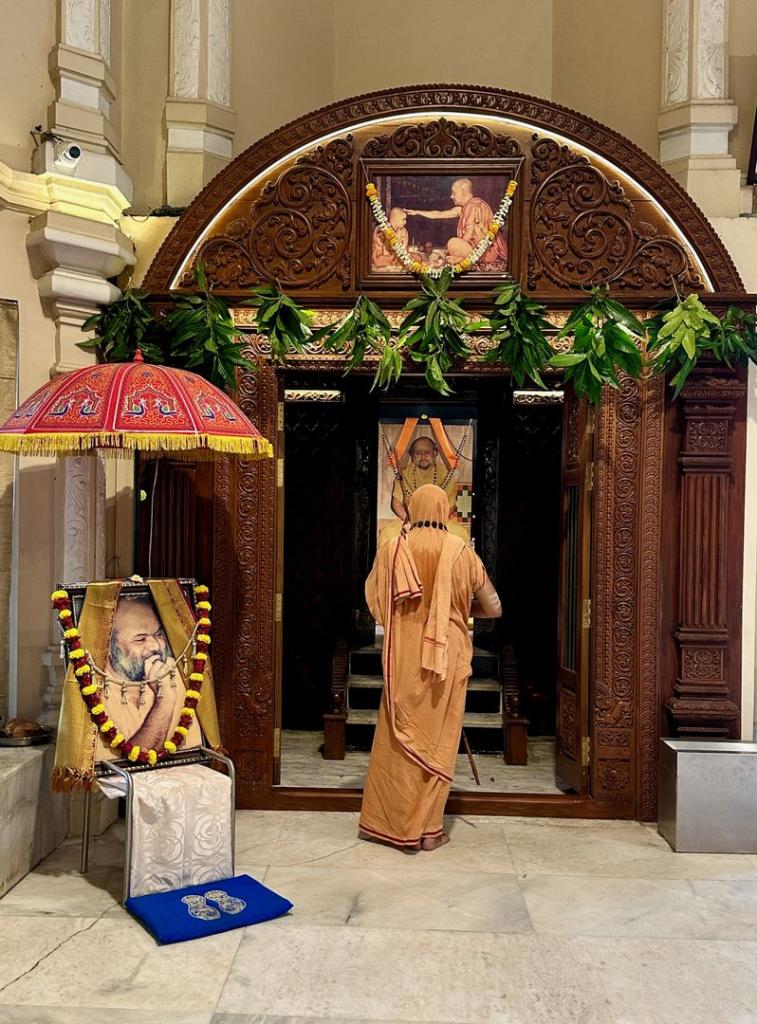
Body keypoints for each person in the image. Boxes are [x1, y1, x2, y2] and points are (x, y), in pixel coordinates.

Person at [359, 484, 502, 851]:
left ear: (412, 508)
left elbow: (376, 605)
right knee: (439, 741)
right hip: (446, 660)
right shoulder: (461, 552)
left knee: (397, 740)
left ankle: (384, 824)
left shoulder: (393, 550)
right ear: (444, 510)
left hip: (403, 660)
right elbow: (494, 607)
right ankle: (429, 832)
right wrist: (457, 610)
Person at [103, 592, 202, 754]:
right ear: (109, 645)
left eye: (158, 634)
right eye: (140, 639)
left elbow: (193, 753)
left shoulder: (178, 675)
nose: (155, 646)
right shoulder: (92, 689)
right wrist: (165, 700)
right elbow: (134, 759)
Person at [406, 178, 509, 267]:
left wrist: (457, 254)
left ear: (463, 191)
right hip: (473, 251)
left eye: (454, 193)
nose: (451, 196)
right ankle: (459, 258)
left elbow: (469, 236)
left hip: (486, 253)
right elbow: (439, 214)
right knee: (452, 247)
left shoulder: (474, 206)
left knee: (453, 243)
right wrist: (418, 212)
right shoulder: (464, 208)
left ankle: (459, 259)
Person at [390, 435, 457, 522]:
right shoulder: (403, 475)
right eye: (418, 453)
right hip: (410, 522)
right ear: (412, 455)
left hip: (439, 523)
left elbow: (451, 505)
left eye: (427, 452)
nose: (423, 456)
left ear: (435, 452)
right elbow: (396, 503)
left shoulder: (447, 476)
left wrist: (436, 522)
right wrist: (409, 520)